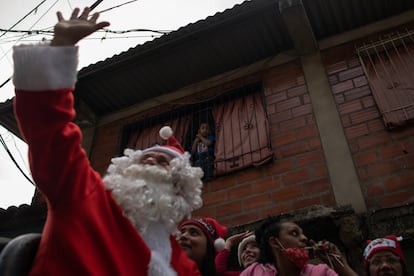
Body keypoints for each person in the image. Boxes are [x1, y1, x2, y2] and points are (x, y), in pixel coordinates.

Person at [12, 7, 204, 276]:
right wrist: (60, 47)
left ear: (178, 189)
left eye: (162, 162)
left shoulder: (184, 266)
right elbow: (48, 129)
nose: (150, 160)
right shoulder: (84, 194)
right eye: (145, 157)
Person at [240, 216, 358, 276]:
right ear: (275, 242)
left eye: (302, 234)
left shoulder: (320, 272)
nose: (304, 238)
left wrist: (341, 265)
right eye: (294, 233)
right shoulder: (255, 272)